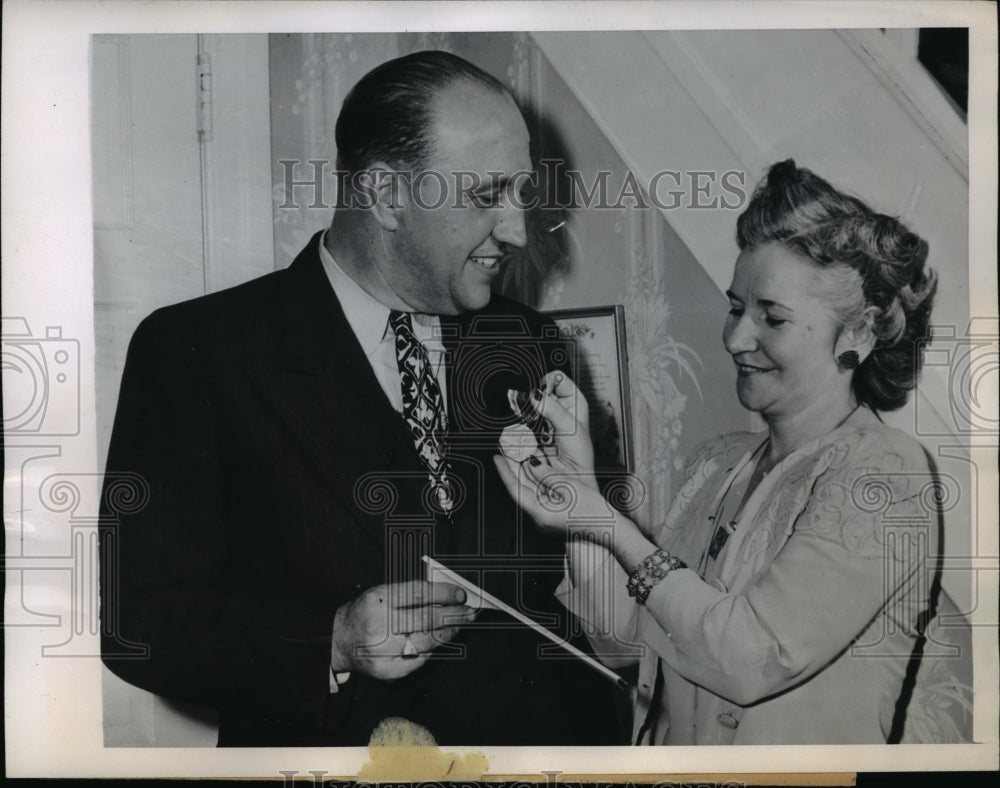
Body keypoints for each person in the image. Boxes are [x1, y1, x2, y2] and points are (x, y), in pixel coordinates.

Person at [99, 50, 624, 747]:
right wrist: (332, 641)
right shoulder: (198, 351)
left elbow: (579, 601)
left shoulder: (527, 343)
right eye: (485, 196)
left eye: (521, 193)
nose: (518, 232)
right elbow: (139, 622)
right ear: (384, 195)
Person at [495, 160, 973, 744]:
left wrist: (608, 524)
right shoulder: (717, 463)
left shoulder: (886, 471)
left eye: (771, 317)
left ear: (858, 334)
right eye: (735, 308)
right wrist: (580, 491)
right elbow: (624, 636)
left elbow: (752, 658)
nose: (735, 338)